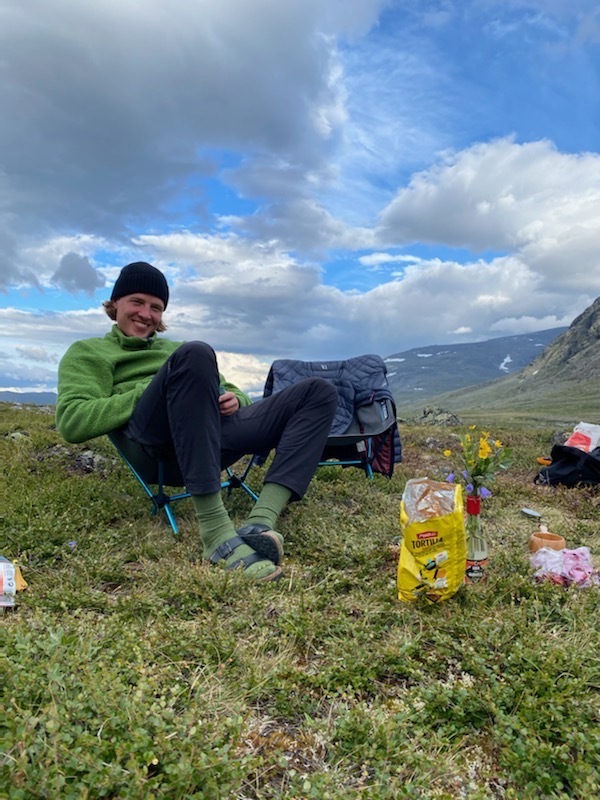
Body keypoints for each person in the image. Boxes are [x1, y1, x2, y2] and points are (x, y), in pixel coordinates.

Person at [56, 261, 338, 583]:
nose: (146, 314)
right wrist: (146, 392)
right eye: (137, 302)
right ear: (115, 303)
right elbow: (72, 420)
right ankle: (216, 534)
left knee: (318, 391)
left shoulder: (174, 349)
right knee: (196, 352)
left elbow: (228, 387)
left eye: (156, 307)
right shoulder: (88, 353)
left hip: (212, 435)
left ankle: (261, 521)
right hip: (157, 448)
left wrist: (237, 399)